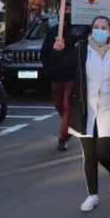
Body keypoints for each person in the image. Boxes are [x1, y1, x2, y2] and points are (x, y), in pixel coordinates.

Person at [51, 15, 110, 212]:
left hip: (109, 108)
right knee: (89, 156)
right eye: (96, 27)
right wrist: (57, 52)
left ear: (109, 31)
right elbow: (61, 69)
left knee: (103, 154)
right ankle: (92, 195)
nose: (100, 30)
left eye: (104, 27)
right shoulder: (82, 50)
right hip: (85, 109)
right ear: (92, 30)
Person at [40, 9, 80, 150]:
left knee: (67, 105)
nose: (67, 13)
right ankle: (69, 125)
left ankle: (63, 137)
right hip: (56, 75)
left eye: (69, 10)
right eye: (64, 10)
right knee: (58, 104)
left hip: (71, 75)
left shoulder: (76, 31)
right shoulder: (52, 32)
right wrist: (47, 69)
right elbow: (44, 51)